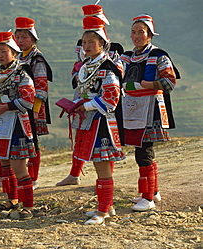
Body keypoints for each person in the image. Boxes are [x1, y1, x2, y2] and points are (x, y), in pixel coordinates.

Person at [57, 4, 124, 187]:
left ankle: (106, 192)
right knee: (84, 142)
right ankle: (76, 174)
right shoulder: (84, 54)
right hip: (84, 97)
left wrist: (87, 103)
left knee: (102, 149)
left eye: (96, 19)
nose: (86, 45)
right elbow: (76, 72)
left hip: (102, 105)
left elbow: (115, 82)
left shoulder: (112, 55)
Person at [67, 16, 124, 225]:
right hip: (89, 121)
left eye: (92, 41)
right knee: (101, 167)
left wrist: (87, 105)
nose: (87, 45)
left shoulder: (107, 67)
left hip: (101, 123)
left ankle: (102, 211)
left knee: (102, 167)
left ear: (102, 44)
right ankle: (107, 206)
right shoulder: (86, 66)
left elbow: (112, 97)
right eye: (84, 42)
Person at [120, 14, 179, 211]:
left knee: (144, 152)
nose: (136, 36)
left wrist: (147, 84)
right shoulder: (126, 57)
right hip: (132, 107)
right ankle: (152, 191)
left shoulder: (159, 56)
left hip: (150, 108)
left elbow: (170, 82)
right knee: (144, 151)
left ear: (150, 35)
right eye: (133, 32)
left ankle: (147, 198)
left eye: (141, 32)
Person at [0, 17, 52, 190]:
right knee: (6, 143)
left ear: (33, 38)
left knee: (31, 142)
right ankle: (7, 179)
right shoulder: (12, 61)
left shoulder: (37, 59)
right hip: (9, 110)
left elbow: (41, 86)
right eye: (18, 37)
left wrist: (35, 111)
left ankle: (33, 177)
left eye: (25, 37)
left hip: (29, 107)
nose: (21, 41)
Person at [0, 31, 36, 219]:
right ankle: (12, 199)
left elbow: (28, 100)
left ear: (14, 52)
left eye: (3, 51)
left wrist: (6, 106)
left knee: (19, 166)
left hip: (17, 125)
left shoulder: (22, 72)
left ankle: (28, 205)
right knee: (4, 165)